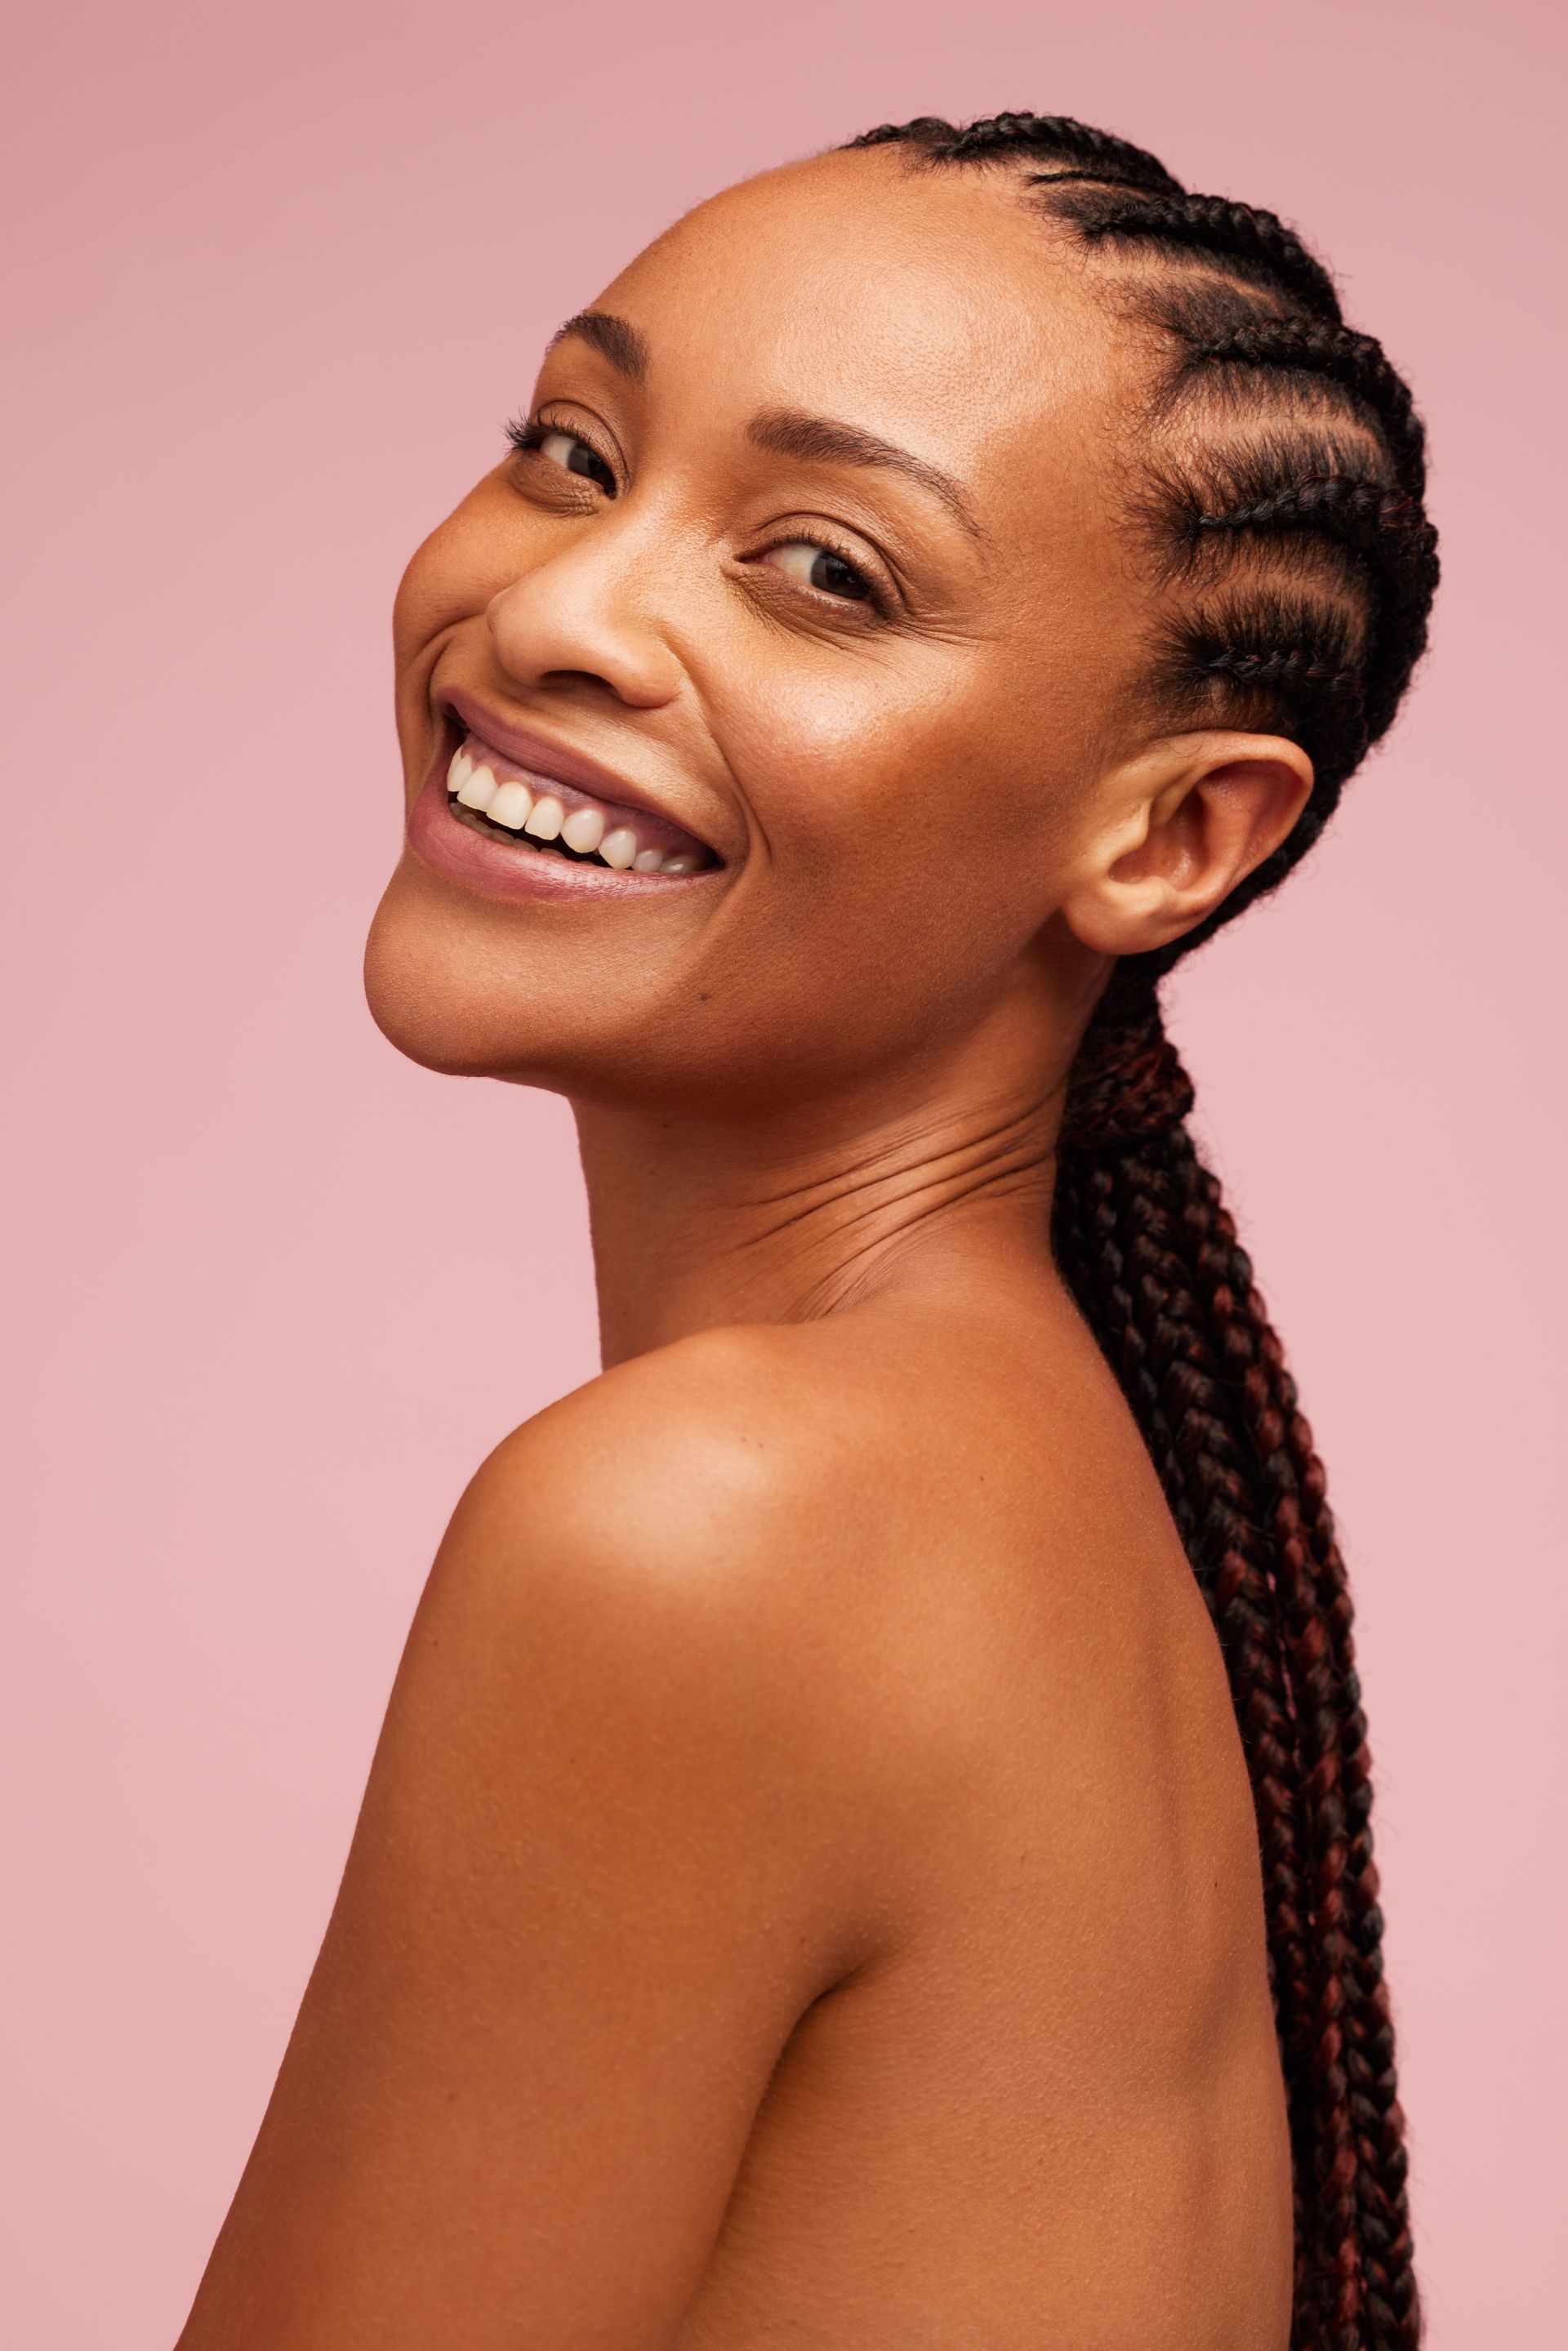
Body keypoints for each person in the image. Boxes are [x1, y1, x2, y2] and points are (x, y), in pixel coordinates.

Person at [176, 113, 1437, 2351]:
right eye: (569, 449)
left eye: (827, 571)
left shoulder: (713, 1528)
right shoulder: (1034, 1479)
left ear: (1169, 838)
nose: (558, 612)